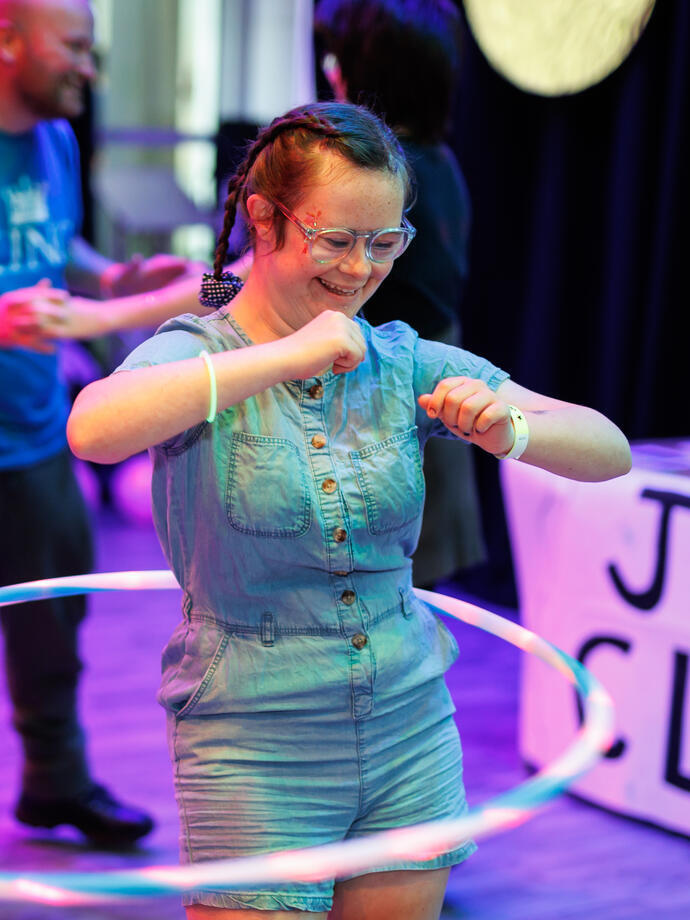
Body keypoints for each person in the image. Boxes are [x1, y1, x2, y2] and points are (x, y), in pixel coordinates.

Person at [67, 100, 631, 917]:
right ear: (263, 219)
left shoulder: (401, 362)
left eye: (386, 241)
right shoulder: (193, 353)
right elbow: (93, 427)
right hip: (252, 737)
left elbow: (606, 446)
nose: (362, 269)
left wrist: (507, 428)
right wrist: (284, 355)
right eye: (336, 239)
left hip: (410, 720)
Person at [0, 0, 208, 846]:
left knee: (56, 622)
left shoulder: (54, 140)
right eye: (75, 48)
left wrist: (116, 278)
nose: (90, 68)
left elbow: (55, 253)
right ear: (8, 40)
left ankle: (56, 781)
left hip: (36, 433)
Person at [314, 0, 484, 589]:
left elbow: (242, 285)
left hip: (379, 430)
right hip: (416, 420)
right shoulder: (442, 167)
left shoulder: (371, 183)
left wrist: (200, 285)